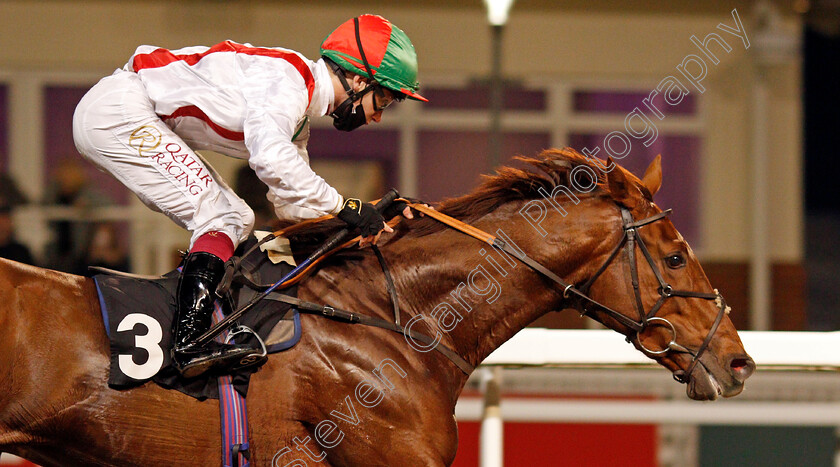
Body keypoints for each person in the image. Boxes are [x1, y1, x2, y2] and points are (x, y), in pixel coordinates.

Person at [72, 14, 426, 378]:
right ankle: (189, 341)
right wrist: (347, 207)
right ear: (357, 79)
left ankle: (190, 326)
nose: (379, 116)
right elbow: (272, 160)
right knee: (222, 217)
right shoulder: (287, 80)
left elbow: (293, 206)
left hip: (129, 113)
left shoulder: (297, 115)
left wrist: (379, 216)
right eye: (382, 100)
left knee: (235, 217)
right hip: (119, 112)